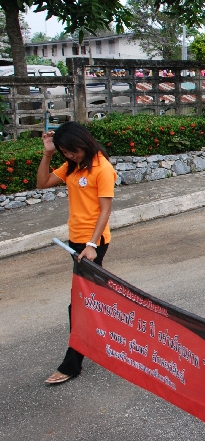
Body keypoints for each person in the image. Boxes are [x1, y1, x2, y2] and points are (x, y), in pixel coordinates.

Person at [36, 122, 117, 385]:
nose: (70, 155)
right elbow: (42, 183)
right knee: (89, 298)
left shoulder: (102, 168)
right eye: (65, 152)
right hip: (76, 240)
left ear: (84, 142)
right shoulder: (73, 166)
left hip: (93, 244)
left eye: (73, 150)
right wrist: (48, 153)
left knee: (79, 303)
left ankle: (72, 363)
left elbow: (105, 210)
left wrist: (92, 245)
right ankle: (107, 340)